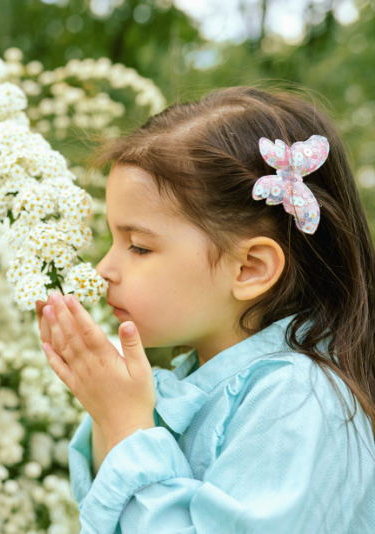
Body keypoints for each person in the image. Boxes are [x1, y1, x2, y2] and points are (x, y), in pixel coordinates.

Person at [35, 86, 375, 533]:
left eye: (138, 246)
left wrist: (126, 423)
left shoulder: (298, 400)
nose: (103, 270)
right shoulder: (191, 379)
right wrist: (107, 408)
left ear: (250, 268)